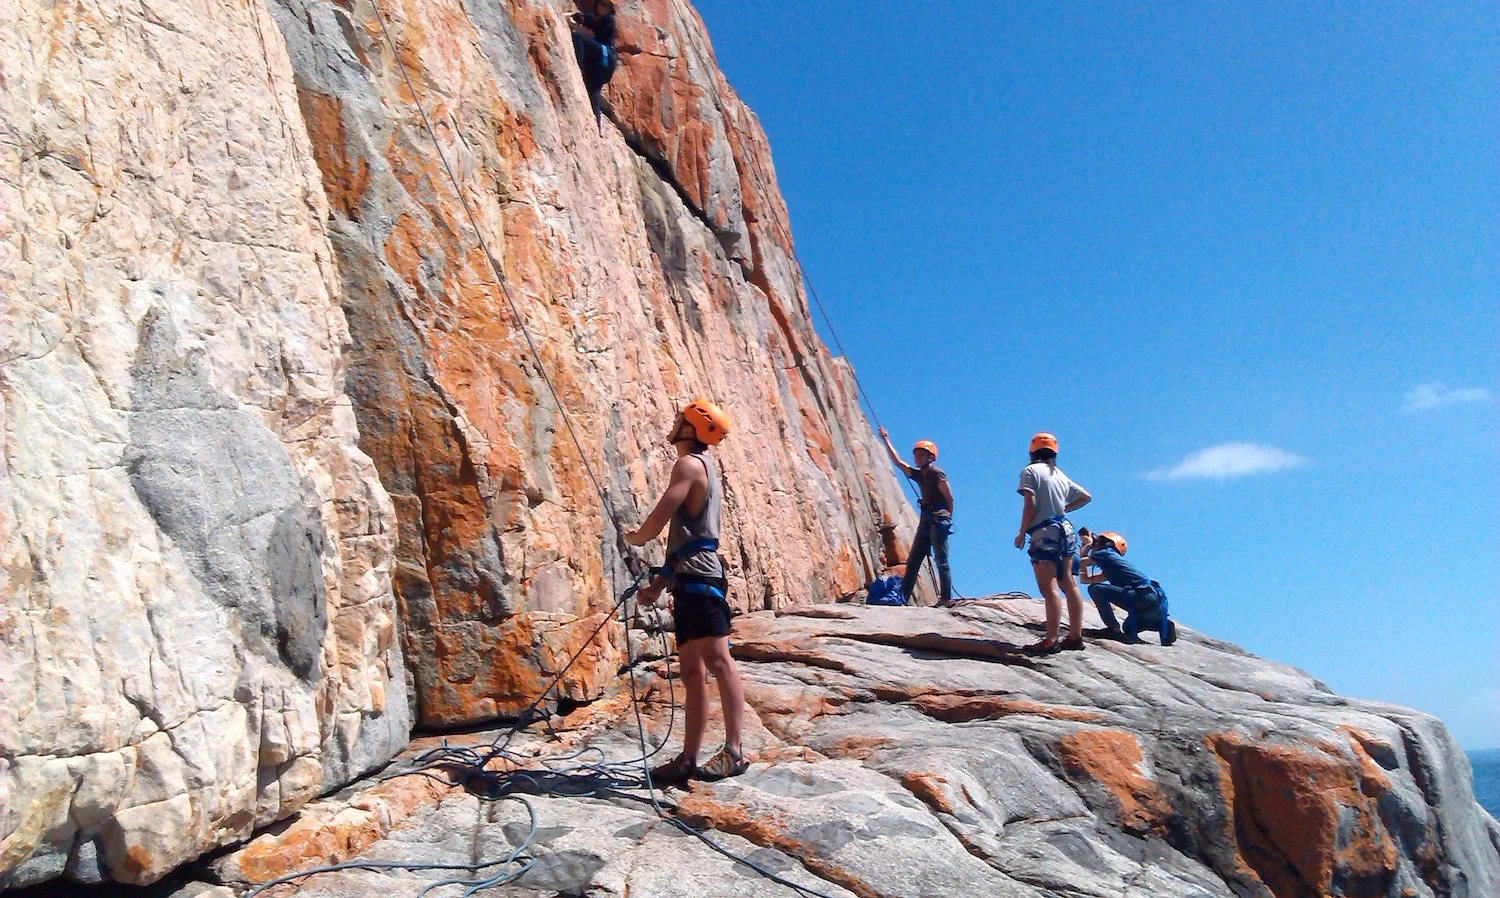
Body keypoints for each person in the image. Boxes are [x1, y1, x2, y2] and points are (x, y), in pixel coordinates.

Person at [623, 399, 748, 782]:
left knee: (717, 659)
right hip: (691, 577)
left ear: (692, 429)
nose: (674, 421)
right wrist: (659, 583)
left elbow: (661, 517)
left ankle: (735, 751)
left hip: (700, 578)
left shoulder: (689, 464)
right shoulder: (704, 466)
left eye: (681, 419)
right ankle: (688, 758)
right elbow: (685, 538)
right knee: (693, 671)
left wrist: (633, 537)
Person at [1014, 432, 1091, 653]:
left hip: (1044, 531)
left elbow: (1030, 503)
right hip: (1065, 529)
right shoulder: (1058, 474)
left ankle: (1051, 640)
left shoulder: (1030, 472)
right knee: (1068, 582)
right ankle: (1075, 636)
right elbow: (1085, 496)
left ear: (1032, 452)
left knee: (1049, 588)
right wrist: (1065, 508)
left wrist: (1021, 532)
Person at [878, 427, 954, 605]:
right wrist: (885, 439)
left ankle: (945, 599)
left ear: (930, 457)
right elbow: (898, 463)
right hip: (926, 522)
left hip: (937, 520)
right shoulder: (919, 475)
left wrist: (947, 517)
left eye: (921, 455)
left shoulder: (936, 473)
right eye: (916, 455)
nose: (917, 458)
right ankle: (902, 597)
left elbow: (949, 497)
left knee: (941, 560)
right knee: (913, 561)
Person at [1078, 532, 1177, 645]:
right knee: (1128, 628)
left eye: (1097, 542)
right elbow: (1085, 579)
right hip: (1155, 603)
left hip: (1142, 596)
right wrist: (1084, 549)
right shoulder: (1111, 565)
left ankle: (1112, 628)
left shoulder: (1105, 553)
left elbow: (1077, 563)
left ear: (1107, 544)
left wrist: (1086, 546)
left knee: (1095, 589)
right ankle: (1162, 625)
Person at [569, 0, 618, 130]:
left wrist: (572, 25)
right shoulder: (595, 18)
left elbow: (590, 34)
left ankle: (578, 67)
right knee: (593, 90)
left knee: (577, 36)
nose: (604, 8)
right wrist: (575, 17)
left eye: (607, 6)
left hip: (606, 56)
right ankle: (597, 127)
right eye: (602, 4)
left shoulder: (608, 21)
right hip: (600, 63)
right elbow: (581, 17)